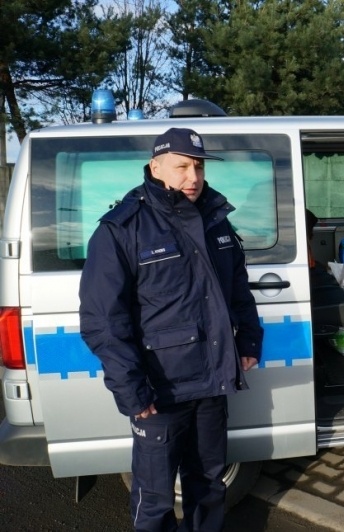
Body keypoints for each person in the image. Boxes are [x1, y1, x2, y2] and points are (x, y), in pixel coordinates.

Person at [79, 127, 264, 531]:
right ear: (155, 167)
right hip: (159, 391)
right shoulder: (122, 229)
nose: (193, 177)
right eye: (181, 166)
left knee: (209, 485)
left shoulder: (216, 220)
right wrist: (131, 390)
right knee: (155, 499)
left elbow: (237, 289)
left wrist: (249, 340)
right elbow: (102, 321)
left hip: (212, 382)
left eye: (198, 167)